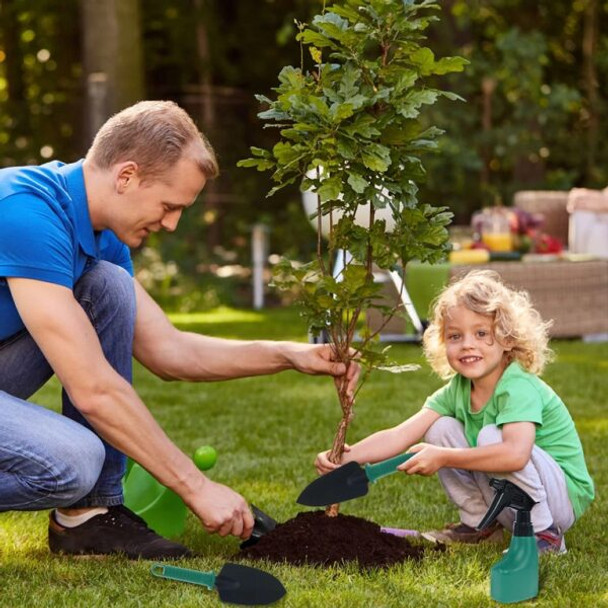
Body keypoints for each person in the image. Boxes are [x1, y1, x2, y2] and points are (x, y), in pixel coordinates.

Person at [0, 100, 359, 559]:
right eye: (170, 206)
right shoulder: (25, 210)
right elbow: (92, 388)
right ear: (126, 177)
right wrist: (196, 486)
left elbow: (170, 352)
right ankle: (86, 502)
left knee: (108, 286)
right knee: (74, 460)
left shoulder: (103, 238)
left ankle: (87, 519)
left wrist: (289, 354)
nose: (171, 223)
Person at [315, 270, 594, 554]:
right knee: (440, 428)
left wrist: (443, 457)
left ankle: (545, 535)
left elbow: (515, 454)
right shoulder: (458, 390)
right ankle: (480, 525)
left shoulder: (517, 386)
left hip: (560, 501)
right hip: (515, 500)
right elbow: (400, 434)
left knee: (490, 436)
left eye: (481, 333)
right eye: (455, 336)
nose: (467, 344)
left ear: (507, 339)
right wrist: (347, 458)